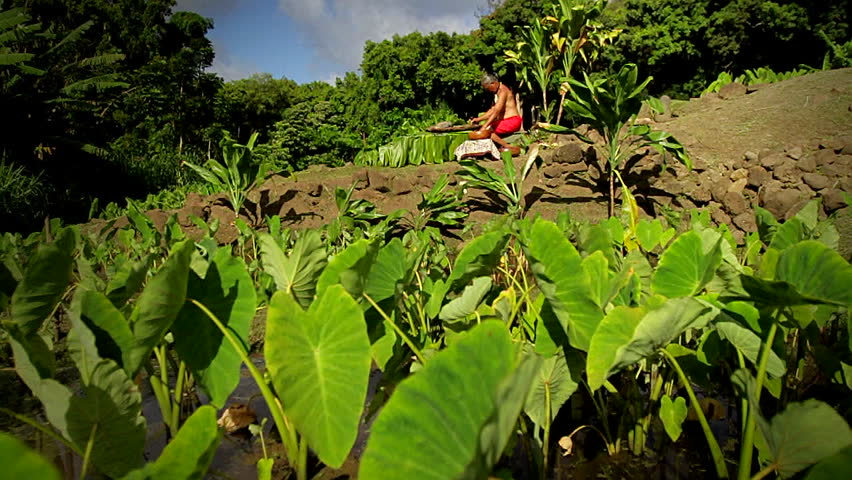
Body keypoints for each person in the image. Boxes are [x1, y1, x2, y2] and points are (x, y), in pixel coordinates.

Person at [469, 73, 522, 155]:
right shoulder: (498, 93)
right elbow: (492, 110)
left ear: (493, 83)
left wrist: (485, 125)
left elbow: (497, 111)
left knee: (487, 130)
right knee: (486, 129)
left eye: (488, 88)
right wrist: (478, 119)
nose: (488, 90)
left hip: (513, 121)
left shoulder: (503, 91)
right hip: (506, 121)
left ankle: (508, 147)